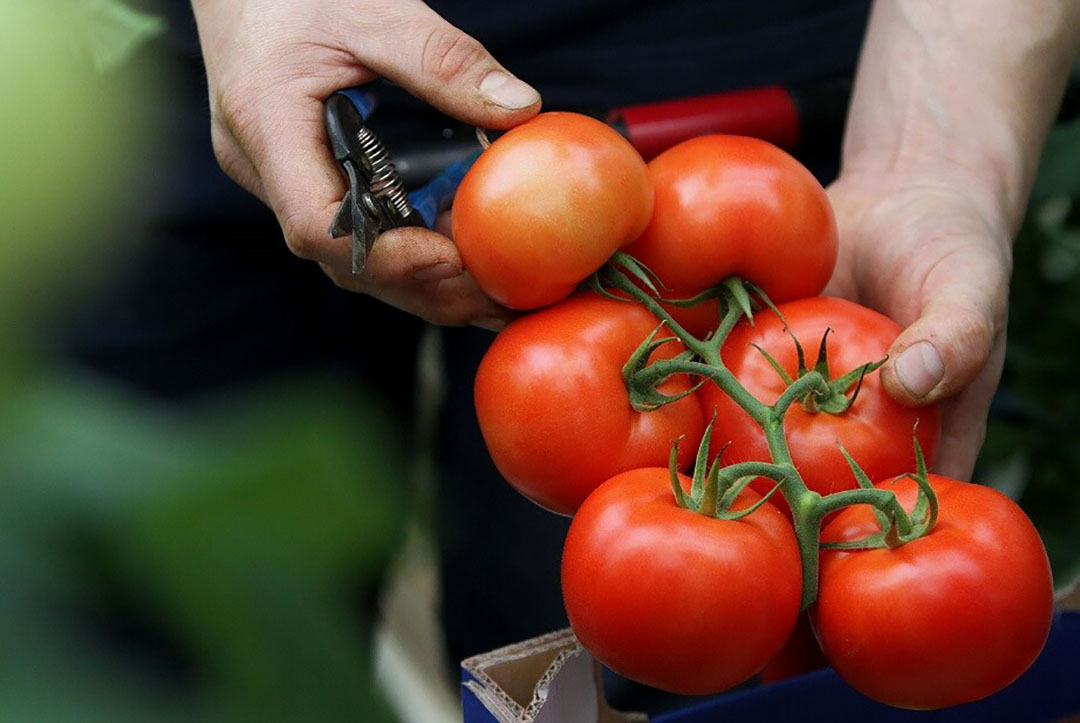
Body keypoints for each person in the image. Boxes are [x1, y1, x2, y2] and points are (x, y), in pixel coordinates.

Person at [190, 0, 1080, 483]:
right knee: (165, 603)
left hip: (728, 56)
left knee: (583, 659)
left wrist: (930, 155)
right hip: (209, 75)